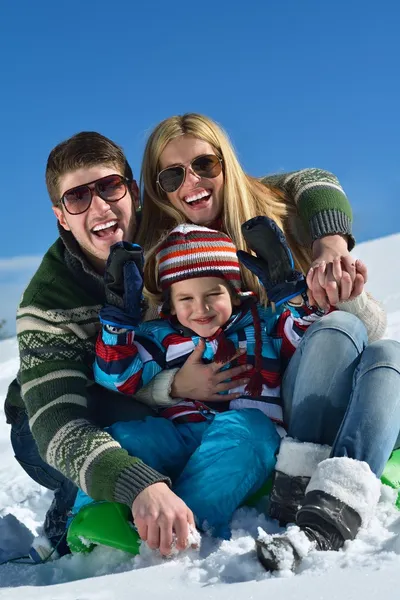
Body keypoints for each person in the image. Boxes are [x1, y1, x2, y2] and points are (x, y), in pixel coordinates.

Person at [3, 124, 382, 558]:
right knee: (115, 434)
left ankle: (189, 508)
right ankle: (82, 508)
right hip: (58, 417)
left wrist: (328, 244)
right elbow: (59, 427)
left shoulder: (173, 232)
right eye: (77, 197)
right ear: (60, 214)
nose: (99, 206)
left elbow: (306, 181)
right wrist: (145, 460)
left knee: (239, 436)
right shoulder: (48, 300)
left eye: (109, 187)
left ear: (134, 191)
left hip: (196, 410)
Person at [72, 219, 325, 538]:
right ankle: (93, 516)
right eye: (186, 299)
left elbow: (306, 336)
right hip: (182, 437)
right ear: (170, 305)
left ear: (234, 293)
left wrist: (294, 296)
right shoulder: (160, 338)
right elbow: (117, 377)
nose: (200, 308)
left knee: (251, 430)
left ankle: (184, 524)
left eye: (212, 294)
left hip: (244, 444)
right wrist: (118, 324)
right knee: (126, 437)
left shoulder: (262, 328)